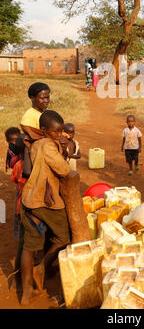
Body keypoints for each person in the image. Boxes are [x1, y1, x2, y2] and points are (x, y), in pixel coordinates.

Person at [19, 110, 72, 306]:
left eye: (61, 131)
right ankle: (42, 268)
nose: (59, 135)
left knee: (29, 247)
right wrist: (62, 149)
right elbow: (64, 169)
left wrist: (59, 145)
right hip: (46, 201)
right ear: (44, 130)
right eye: (55, 132)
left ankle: (26, 293)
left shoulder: (37, 144)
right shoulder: (50, 147)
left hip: (29, 200)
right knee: (63, 237)